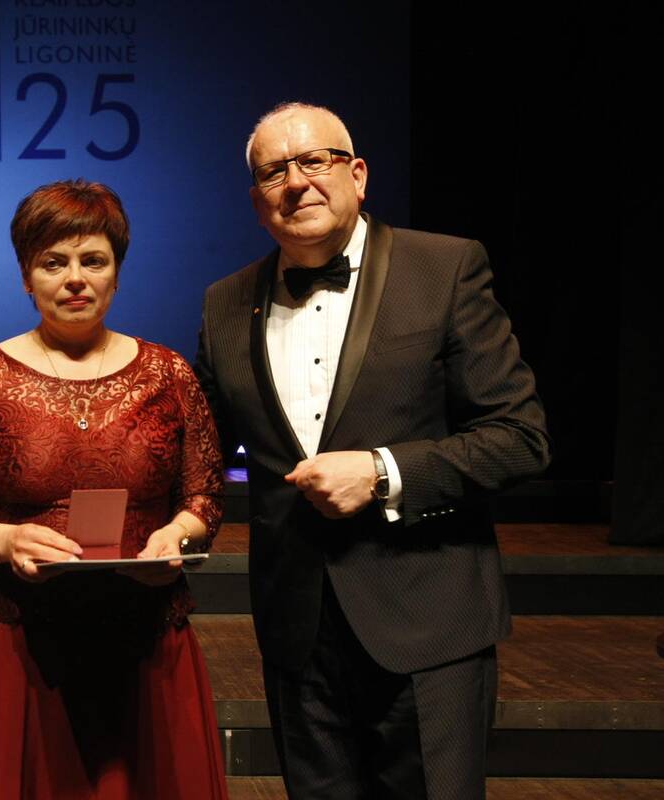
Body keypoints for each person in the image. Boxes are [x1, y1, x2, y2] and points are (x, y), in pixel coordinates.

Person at [195, 103, 550, 799]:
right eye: (274, 172)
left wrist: (383, 472)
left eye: (314, 160)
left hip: (428, 622)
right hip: (297, 631)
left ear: (356, 174)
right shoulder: (224, 302)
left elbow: (519, 438)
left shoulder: (444, 268)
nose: (296, 182)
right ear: (256, 201)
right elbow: (192, 448)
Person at [0, 179, 229, 799]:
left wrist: (177, 535)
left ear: (117, 273)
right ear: (26, 278)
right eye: (53, 262)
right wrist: (6, 542)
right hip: (6, 642)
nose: (75, 279)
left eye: (93, 261)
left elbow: (205, 497)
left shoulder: (169, 374)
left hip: (141, 636)